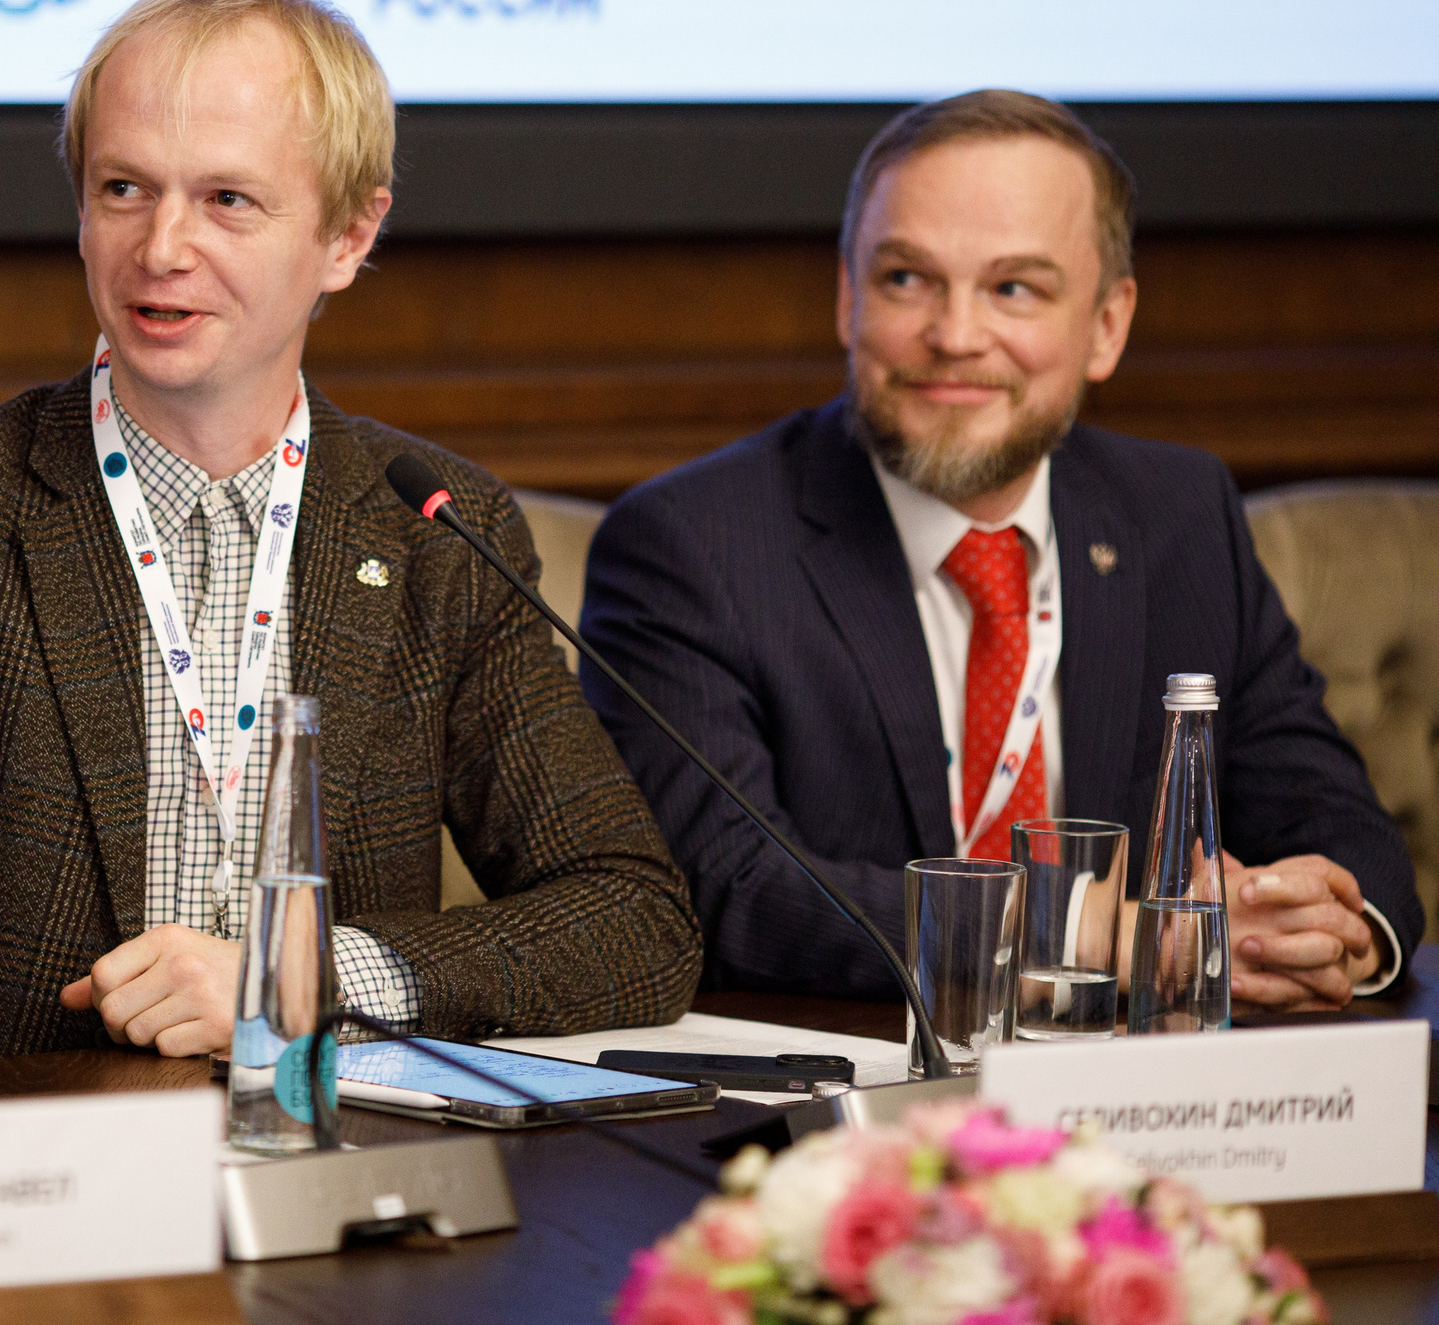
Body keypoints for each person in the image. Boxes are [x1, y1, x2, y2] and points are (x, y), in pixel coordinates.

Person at [0, 0, 699, 1073]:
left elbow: (633, 923)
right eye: (122, 188)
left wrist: (298, 976)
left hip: (328, 1180)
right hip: (18, 1190)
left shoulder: (434, 531)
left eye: (227, 202)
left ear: (348, 236)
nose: (160, 249)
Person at [579, 90, 1421, 1007]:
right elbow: (726, 887)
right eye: (907, 278)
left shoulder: (1179, 515)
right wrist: (1102, 936)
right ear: (847, 297)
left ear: (1107, 325)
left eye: (1013, 288)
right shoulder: (694, 544)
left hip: (1152, 1101)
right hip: (860, 1097)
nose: (955, 335)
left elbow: (1339, 823)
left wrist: (1329, 929)